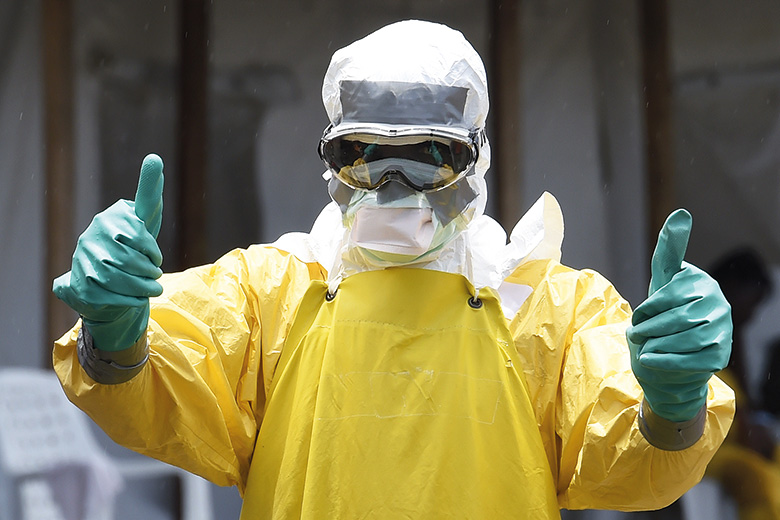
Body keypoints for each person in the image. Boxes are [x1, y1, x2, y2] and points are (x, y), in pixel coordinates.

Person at [52, 20, 735, 519]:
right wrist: (115, 333)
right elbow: (161, 385)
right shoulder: (271, 291)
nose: (394, 185)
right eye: (364, 154)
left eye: (430, 154)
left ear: (478, 158)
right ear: (330, 161)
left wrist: (672, 403)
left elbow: (631, 461)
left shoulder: (544, 306)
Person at [704, 248, 780, 520]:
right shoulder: (698, 322)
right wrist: (747, 426)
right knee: (755, 477)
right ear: (732, 287)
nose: (752, 315)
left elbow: (743, 397)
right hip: (700, 443)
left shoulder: (731, 331)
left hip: (730, 436)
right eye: (752, 303)